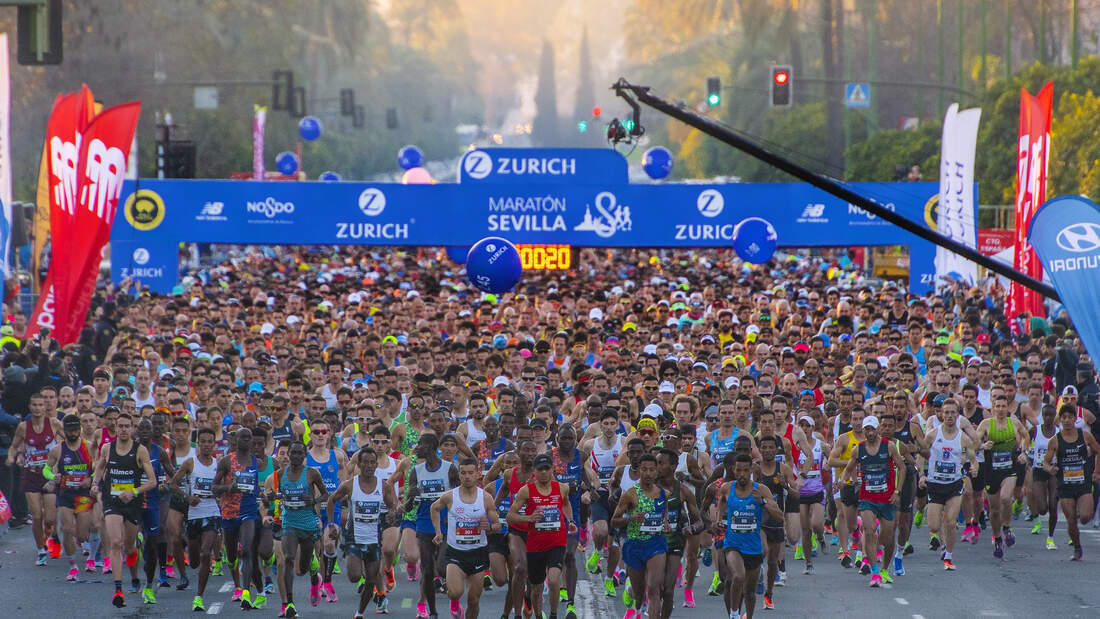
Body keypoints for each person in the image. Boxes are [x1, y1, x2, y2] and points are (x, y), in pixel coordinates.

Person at [91, 412, 159, 607]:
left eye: (126, 426)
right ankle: (118, 589)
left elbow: (152, 482)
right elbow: (99, 467)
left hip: (132, 503)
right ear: (115, 427)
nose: (122, 429)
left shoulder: (140, 451)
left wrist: (134, 491)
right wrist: (95, 483)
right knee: (115, 542)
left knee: (130, 547)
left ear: (132, 428)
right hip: (112, 501)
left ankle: (135, 576)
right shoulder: (107, 448)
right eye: (119, 426)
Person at [431, 458, 503, 619]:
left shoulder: (485, 498)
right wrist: (438, 532)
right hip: (455, 553)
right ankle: (454, 602)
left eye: (471, 473)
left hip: (478, 553)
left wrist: (490, 527)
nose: (467, 476)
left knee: (473, 600)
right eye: (463, 473)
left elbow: (498, 525)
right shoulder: (450, 496)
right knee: (455, 592)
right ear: (459, 474)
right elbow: (434, 508)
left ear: (477, 474)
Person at [714, 452, 783, 619]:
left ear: (751, 469)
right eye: (739, 470)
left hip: (753, 546)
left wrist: (762, 502)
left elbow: (779, 515)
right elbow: (721, 502)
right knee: (737, 576)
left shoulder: (761, 490)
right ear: (733, 470)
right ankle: (734, 614)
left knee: (750, 592)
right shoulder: (727, 488)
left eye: (746, 470)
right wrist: (717, 520)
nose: (742, 474)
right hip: (732, 543)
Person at [329, 447, 396, 618]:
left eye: (372, 462)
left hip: (374, 538)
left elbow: (391, 506)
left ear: (377, 465)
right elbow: (332, 500)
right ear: (359, 464)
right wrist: (332, 524)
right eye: (365, 462)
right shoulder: (350, 485)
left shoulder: (384, 486)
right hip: (354, 538)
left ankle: (359, 613)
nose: (369, 466)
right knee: (354, 576)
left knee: (372, 580)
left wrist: (391, 514)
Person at [507, 452, 576, 619]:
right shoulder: (526, 491)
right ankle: (538, 615)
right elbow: (510, 516)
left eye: (547, 469)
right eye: (540, 469)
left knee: (553, 580)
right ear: (534, 472)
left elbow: (566, 505)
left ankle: (553, 614)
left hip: (557, 542)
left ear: (552, 469)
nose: (544, 472)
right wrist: (528, 518)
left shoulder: (561, 488)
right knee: (536, 587)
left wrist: (570, 520)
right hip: (535, 545)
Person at [839, 415, 906, 587]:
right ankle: (875, 572)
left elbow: (902, 467)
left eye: (872, 429)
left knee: (887, 539)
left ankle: (884, 569)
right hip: (867, 498)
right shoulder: (858, 449)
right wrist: (841, 482)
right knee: (868, 532)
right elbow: (848, 469)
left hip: (887, 498)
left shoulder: (889, 447)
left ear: (877, 430)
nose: (869, 432)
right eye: (866, 429)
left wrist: (897, 491)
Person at [267, 441, 328, 618]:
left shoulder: (311, 474)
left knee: (302, 569)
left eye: (299, 454)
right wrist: (270, 497)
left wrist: (314, 501)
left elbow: (325, 494)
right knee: (288, 559)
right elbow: (277, 496)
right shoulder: (280, 474)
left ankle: (315, 575)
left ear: (304, 456)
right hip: (289, 524)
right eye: (292, 453)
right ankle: (289, 604)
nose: (295, 456)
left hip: (308, 525)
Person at [918, 396, 977, 570]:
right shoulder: (932, 434)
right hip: (935, 484)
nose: (950, 416)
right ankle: (942, 542)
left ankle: (949, 556)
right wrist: (921, 475)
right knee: (934, 526)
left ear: (958, 415)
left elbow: (974, 460)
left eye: (953, 413)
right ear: (941, 415)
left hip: (954, 484)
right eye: (946, 413)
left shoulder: (964, 438)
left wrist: (974, 469)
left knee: (951, 522)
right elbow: (921, 456)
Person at [6, 391, 64, 566]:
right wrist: (11, 457)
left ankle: (52, 535)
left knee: (50, 518)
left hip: (49, 474)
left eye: (41, 405)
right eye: (35, 405)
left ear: (45, 407)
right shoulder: (23, 426)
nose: (38, 408)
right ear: (30, 407)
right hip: (31, 473)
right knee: (37, 515)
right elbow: (14, 446)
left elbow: (69, 439)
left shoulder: (54, 423)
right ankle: (41, 550)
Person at [404, 432, 458, 619]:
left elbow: (459, 496)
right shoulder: (416, 471)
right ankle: (432, 611)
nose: (418, 448)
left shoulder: (450, 468)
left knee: (443, 566)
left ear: (432, 448)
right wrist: (410, 497)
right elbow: (410, 505)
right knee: (427, 569)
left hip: (446, 522)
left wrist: (453, 516)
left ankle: (454, 598)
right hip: (424, 522)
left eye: (422, 444)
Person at [213, 426, 268, 609]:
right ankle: (260, 590)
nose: (246, 440)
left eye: (249, 437)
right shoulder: (227, 462)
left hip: (249, 511)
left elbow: (255, 486)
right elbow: (214, 488)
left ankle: (246, 593)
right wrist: (228, 488)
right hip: (229, 513)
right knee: (231, 555)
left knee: (247, 550)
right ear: (235, 439)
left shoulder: (256, 462)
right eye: (242, 437)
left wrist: (265, 496)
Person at [612, 453, 668, 619]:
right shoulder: (630, 494)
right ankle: (634, 597)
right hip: (634, 546)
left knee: (653, 588)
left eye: (652, 470)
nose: (648, 473)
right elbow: (614, 521)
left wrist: (665, 523)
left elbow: (664, 513)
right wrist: (630, 518)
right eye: (644, 469)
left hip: (656, 544)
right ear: (639, 471)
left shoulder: (663, 493)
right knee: (639, 592)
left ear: (657, 472)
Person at [171, 427, 221, 611]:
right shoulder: (190, 463)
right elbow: (173, 483)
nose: (207, 445)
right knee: (194, 561)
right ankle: (190, 552)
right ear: (198, 444)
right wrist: (187, 497)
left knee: (206, 552)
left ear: (215, 445)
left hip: (213, 512)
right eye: (204, 442)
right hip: (194, 515)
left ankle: (199, 596)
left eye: (210, 442)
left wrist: (220, 492)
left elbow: (223, 487)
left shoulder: (218, 464)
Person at [1042, 404, 1100, 561]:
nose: (1067, 420)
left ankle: (1082, 521)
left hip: (1083, 483)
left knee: (1085, 517)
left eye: (1070, 417)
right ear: (1060, 420)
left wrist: (1096, 471)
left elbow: (1097, 450)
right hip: (1065, 485)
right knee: (1071, 520)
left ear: (1075, 419)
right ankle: (1077, 547)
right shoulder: (1055, 441)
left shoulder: (1085, 436)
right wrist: (1050, 469)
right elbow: (1045, 463)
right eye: (1064, 418)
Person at [975, 393, 1029, 559]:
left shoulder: (1013, 422)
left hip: (1009, 469)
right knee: (994, 510)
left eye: (1003, 406)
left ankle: (1006, 526)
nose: (1000, 409)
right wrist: (983, 445)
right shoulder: (986, 424)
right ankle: (997, 537)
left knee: (1006, 498)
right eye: (997, 406)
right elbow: (974, 443)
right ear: (992, 408)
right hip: (991, 471)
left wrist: (1024, 452)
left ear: (1007, 408)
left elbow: (1026, 435)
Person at [43, 414, 94, 581]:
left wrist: (90, 479)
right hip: (65, 495)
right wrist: (52, 477)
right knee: (66, 529)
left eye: (75, 429)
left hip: (83, 495)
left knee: (82, 534)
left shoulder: (89, 447)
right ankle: (73, 566)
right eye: (69, 430)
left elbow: (100, 468)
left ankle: (87, 549)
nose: (72, 433)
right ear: (64, 431)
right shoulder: (57, 449)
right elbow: (46, 469)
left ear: (79, 429)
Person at [581, 411, 623, 596]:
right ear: (600, 425)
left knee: (614, 545)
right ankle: (597, 551)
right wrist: (588, 488)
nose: (608, 427)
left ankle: (608, 579)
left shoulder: (624, 442)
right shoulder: (591, 444)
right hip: (600, 495)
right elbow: (581, 463)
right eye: (605, 423)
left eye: (612, 423)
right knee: (600, 531)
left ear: (617, 424)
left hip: (619, 497)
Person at [1028, 403, 1060, 549]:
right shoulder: (1035, 431)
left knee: (1053, 504)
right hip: (1039, 470)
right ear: (1042, 416)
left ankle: (1050, 537)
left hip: (1053, 471)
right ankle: (1037, 513)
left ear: (1054, 417)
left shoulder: (1059, 433)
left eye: (1050, 415)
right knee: (1042, 508)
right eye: (1045, 415)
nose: (1048, 418)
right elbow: (1026, 444)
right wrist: (1028, 458)